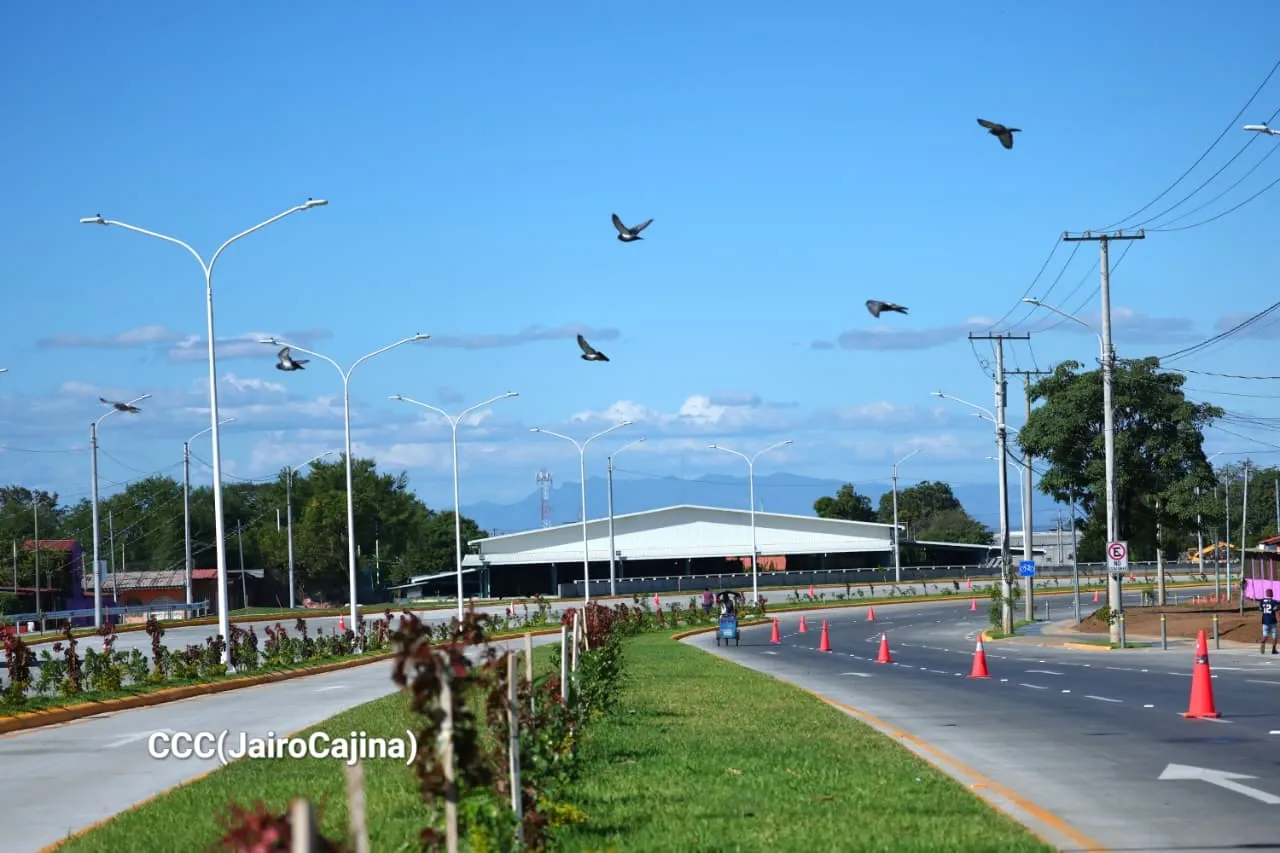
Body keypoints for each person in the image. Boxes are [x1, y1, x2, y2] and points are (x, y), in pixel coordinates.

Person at [1259, 587, 1278, 655]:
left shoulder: (1261, 601)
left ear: (1266, 594)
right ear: (1271, 594)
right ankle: (1273, 649)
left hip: (1264, 620)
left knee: (1265, 634)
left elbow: (1260, 609)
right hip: (1272, 620)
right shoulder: (1275, 602)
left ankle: (1263, 642)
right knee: (1274, 635)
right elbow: (1276, 609)